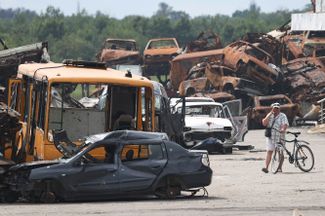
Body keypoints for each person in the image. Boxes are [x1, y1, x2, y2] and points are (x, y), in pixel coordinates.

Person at [261, 102, 289, 173]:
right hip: (271, 136)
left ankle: (279, 167)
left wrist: (283, 129)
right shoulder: (270, 115)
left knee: (280, 152)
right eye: (274, 108)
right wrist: (270, 114)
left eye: (277, 108)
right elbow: (264, 123)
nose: (276, 109)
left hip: (279, 136)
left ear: (279, 109)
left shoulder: (282, 115)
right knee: (269, 151)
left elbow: (285, 124)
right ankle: (266, 167)